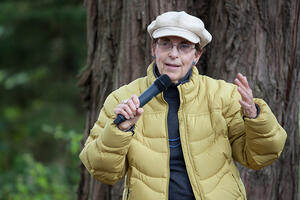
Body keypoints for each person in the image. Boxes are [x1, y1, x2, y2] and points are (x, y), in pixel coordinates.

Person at [79, 11, 287, 200]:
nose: (174, 54)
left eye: (184, 46)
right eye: (166, 44)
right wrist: (121, 129)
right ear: (154, 48)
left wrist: (254, 115)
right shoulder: (123, 99)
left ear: (197, 55)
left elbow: (261, 156)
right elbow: (101, 170)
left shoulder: (223, 95)